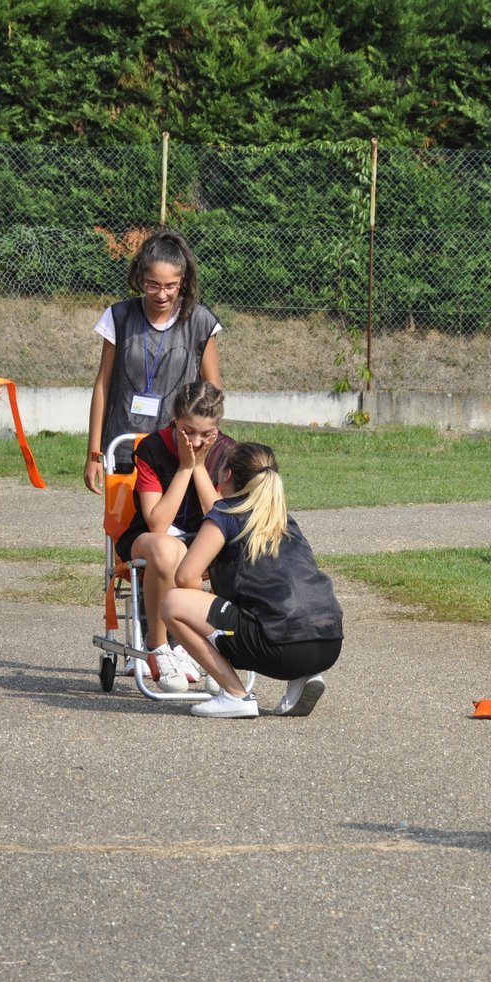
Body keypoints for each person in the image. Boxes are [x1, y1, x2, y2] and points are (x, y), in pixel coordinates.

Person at [162, 442, 343, 719]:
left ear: (227, 475)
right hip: (328, 641)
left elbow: (185, 576)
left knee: (173, 602)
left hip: (281, 646)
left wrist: (210, 617)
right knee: (276, 610)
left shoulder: (224, 514)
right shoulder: (284, 519)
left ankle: (235, 694)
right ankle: (302, 677)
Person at [116, 381, 237, 693]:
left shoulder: (226, 450)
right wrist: (185, 468)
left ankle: (202, 647)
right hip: (148, 539)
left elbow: (220, 517)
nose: (196, 441)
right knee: (168, 549)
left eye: (206, 433)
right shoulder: (152, 448)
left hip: (199, 539)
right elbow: (156, 523)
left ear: (218, 427)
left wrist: (198, 467)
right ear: (174, 418)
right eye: (188, 430)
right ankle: (158, 647)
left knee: (213, 552)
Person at [84, 231, 222, 494]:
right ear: (140, 279)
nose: (161, 294)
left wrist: (206, 448)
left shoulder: (200, 321)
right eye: (152, 285)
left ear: (183, 281)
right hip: (125, 447)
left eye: (170, 286)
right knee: (124, 529)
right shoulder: (119, 316)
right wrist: (94, 454)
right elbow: (102, 385)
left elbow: (213, 391)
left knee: (172, 528)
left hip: (177, 448)